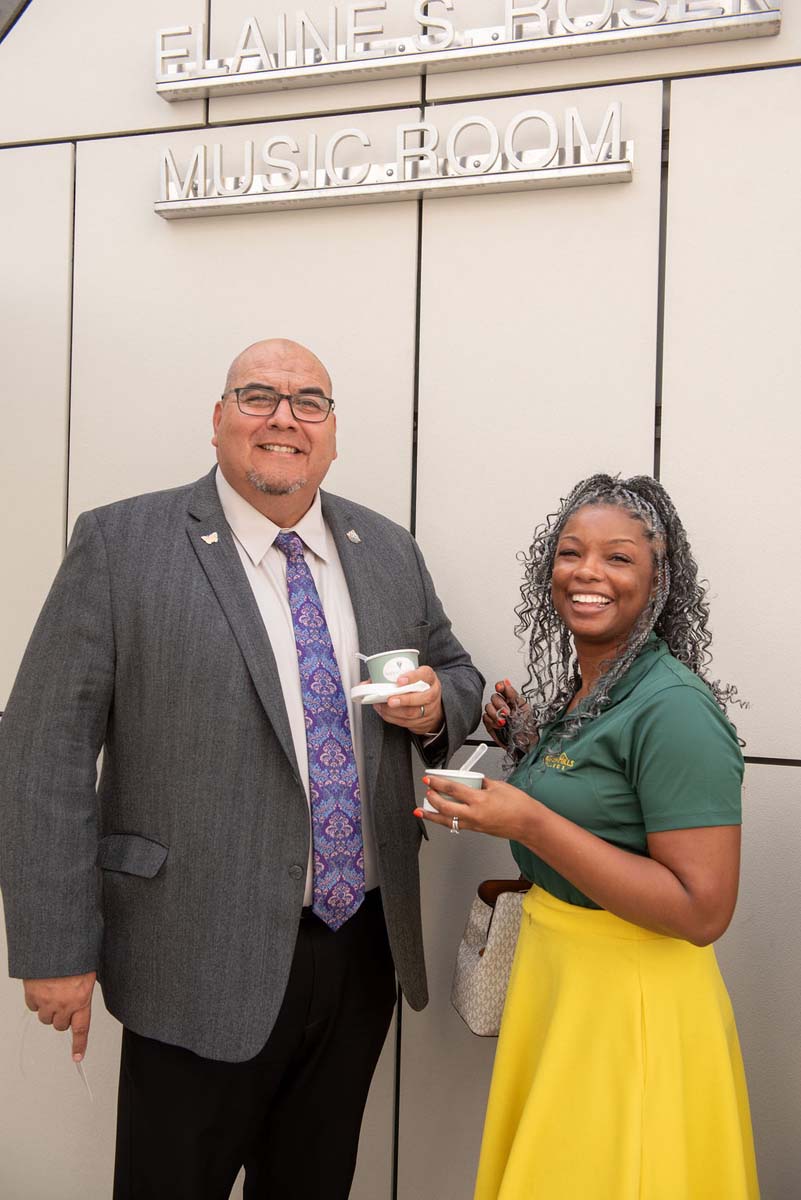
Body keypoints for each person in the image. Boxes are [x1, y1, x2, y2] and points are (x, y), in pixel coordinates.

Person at [0, 338, 484, 1199]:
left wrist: (437, 702)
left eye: (308, 402)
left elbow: (456, 669)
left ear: (331, 433)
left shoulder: (385, 547)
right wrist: (53, 946)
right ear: (219, 418)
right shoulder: (123, 544)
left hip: (357, 947)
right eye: (257, 395)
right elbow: (45, 752)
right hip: (191, 952)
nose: (283, 418)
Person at [417, 474, 759, 1200]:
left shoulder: (673, 711)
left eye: (617, 558)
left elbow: (702, 912)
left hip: (627, 1010)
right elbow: (607, 799)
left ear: (659, 579)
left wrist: (527, 817)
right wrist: (529, 747)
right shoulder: (595, 686)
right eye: (570, 553)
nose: (586, 573)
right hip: (564, 989)